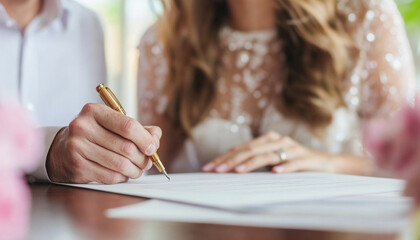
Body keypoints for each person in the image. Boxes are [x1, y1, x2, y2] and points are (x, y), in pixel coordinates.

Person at [137, 0, 416, 175]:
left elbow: (411, 162)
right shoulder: (164, 42)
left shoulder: (366, 16)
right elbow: (153, 168)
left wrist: (328, 164)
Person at [0, 0, 160, 184]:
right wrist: (48, 149)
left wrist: (109, 149)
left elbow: (88, 136)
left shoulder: (87, 24)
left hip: (66, 208)